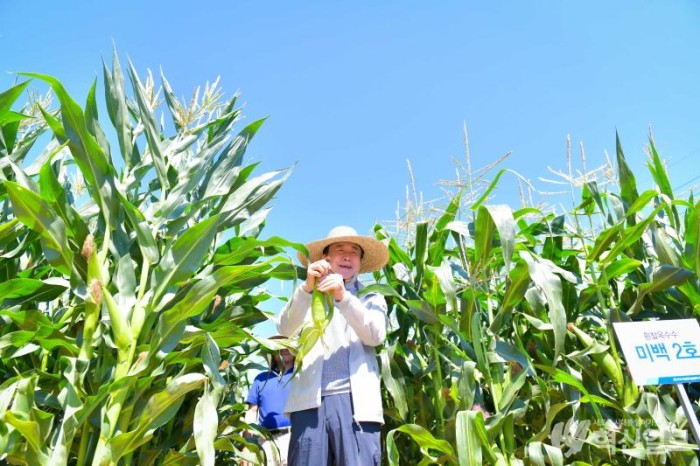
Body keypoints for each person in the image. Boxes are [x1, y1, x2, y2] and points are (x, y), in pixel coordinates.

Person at [276, 225, 389, 466]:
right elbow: (284, 329)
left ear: (360, 262)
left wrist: (343, 297)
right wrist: (307, 289)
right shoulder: (307, 294)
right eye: (340, 249)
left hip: (355, 406)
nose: (347, 256)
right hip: (309, 404)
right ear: (326, 257)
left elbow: (375, 335)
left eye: (354, 252)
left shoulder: (372, 297)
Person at [244, 337, 296, 465]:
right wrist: (246, 446)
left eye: (288, 344)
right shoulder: (260, 379)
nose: (284, 348)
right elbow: (251, 412)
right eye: (279, 345)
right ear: (271, 350)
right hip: (266, 442)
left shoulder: (301, 375)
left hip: (294, 439)